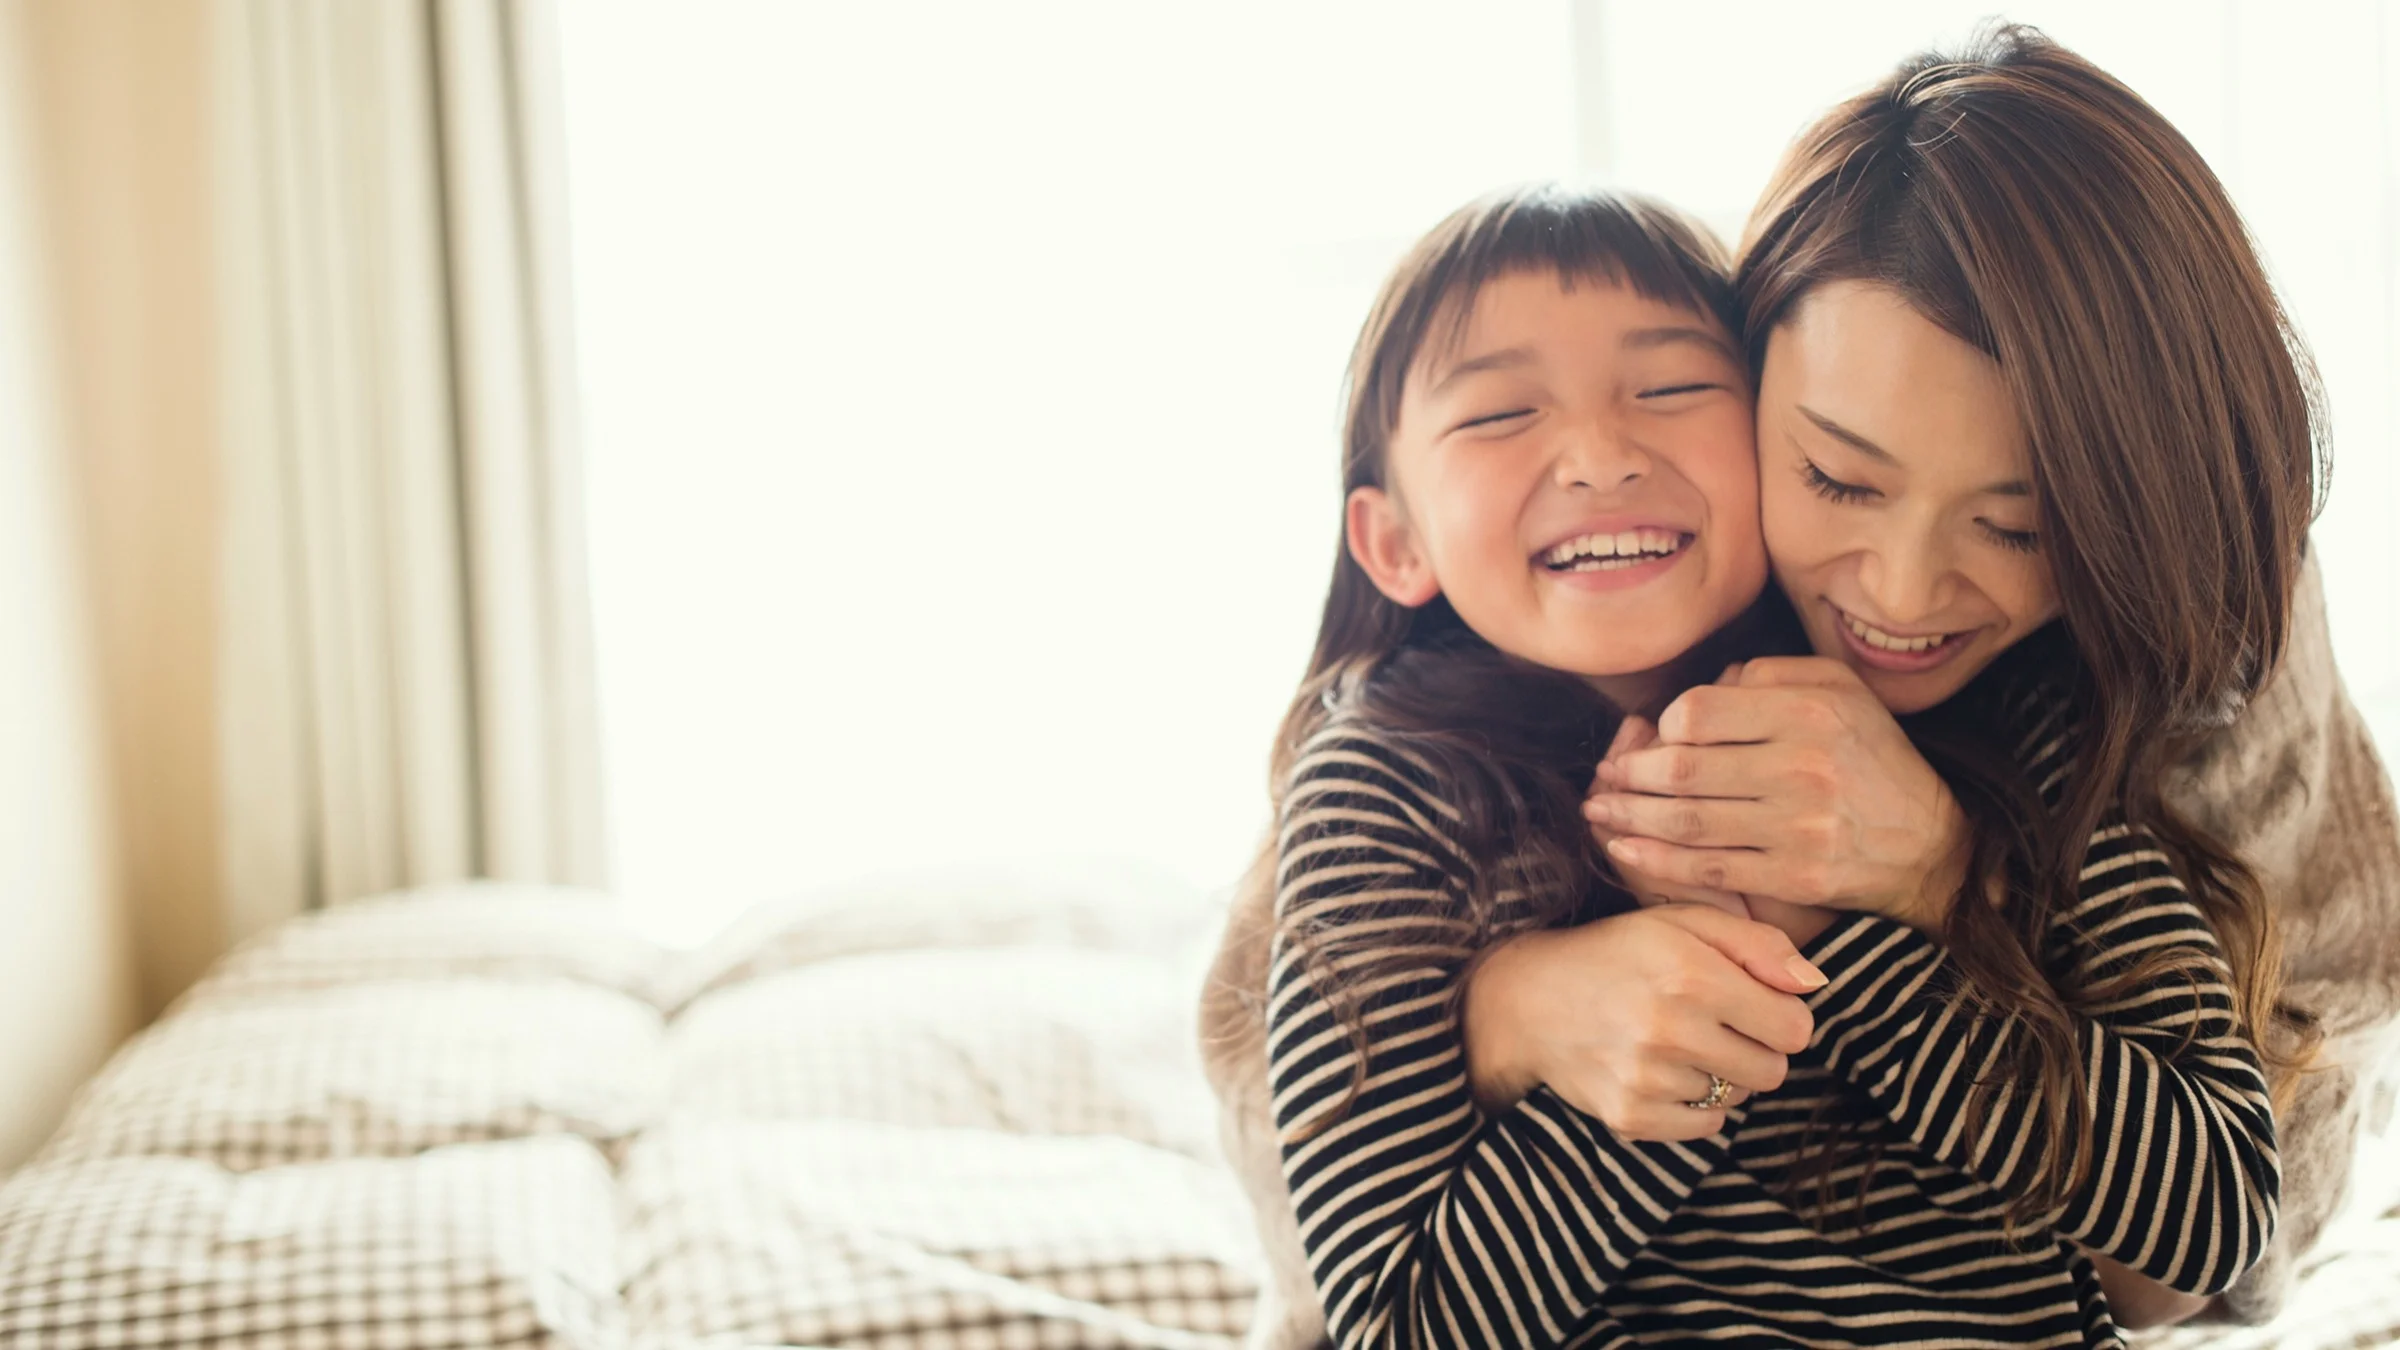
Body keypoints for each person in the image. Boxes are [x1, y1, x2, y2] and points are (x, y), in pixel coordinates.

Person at [1206, 170, 2278, 1346]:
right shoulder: (1386, 793)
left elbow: (2215, 1216)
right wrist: (1677, 1021)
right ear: (1394, 541)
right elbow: (1399, 1325)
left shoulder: (2003, 718)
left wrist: (1871, 927)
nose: (1601, 455)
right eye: (1501, 415)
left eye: (1670, 388)